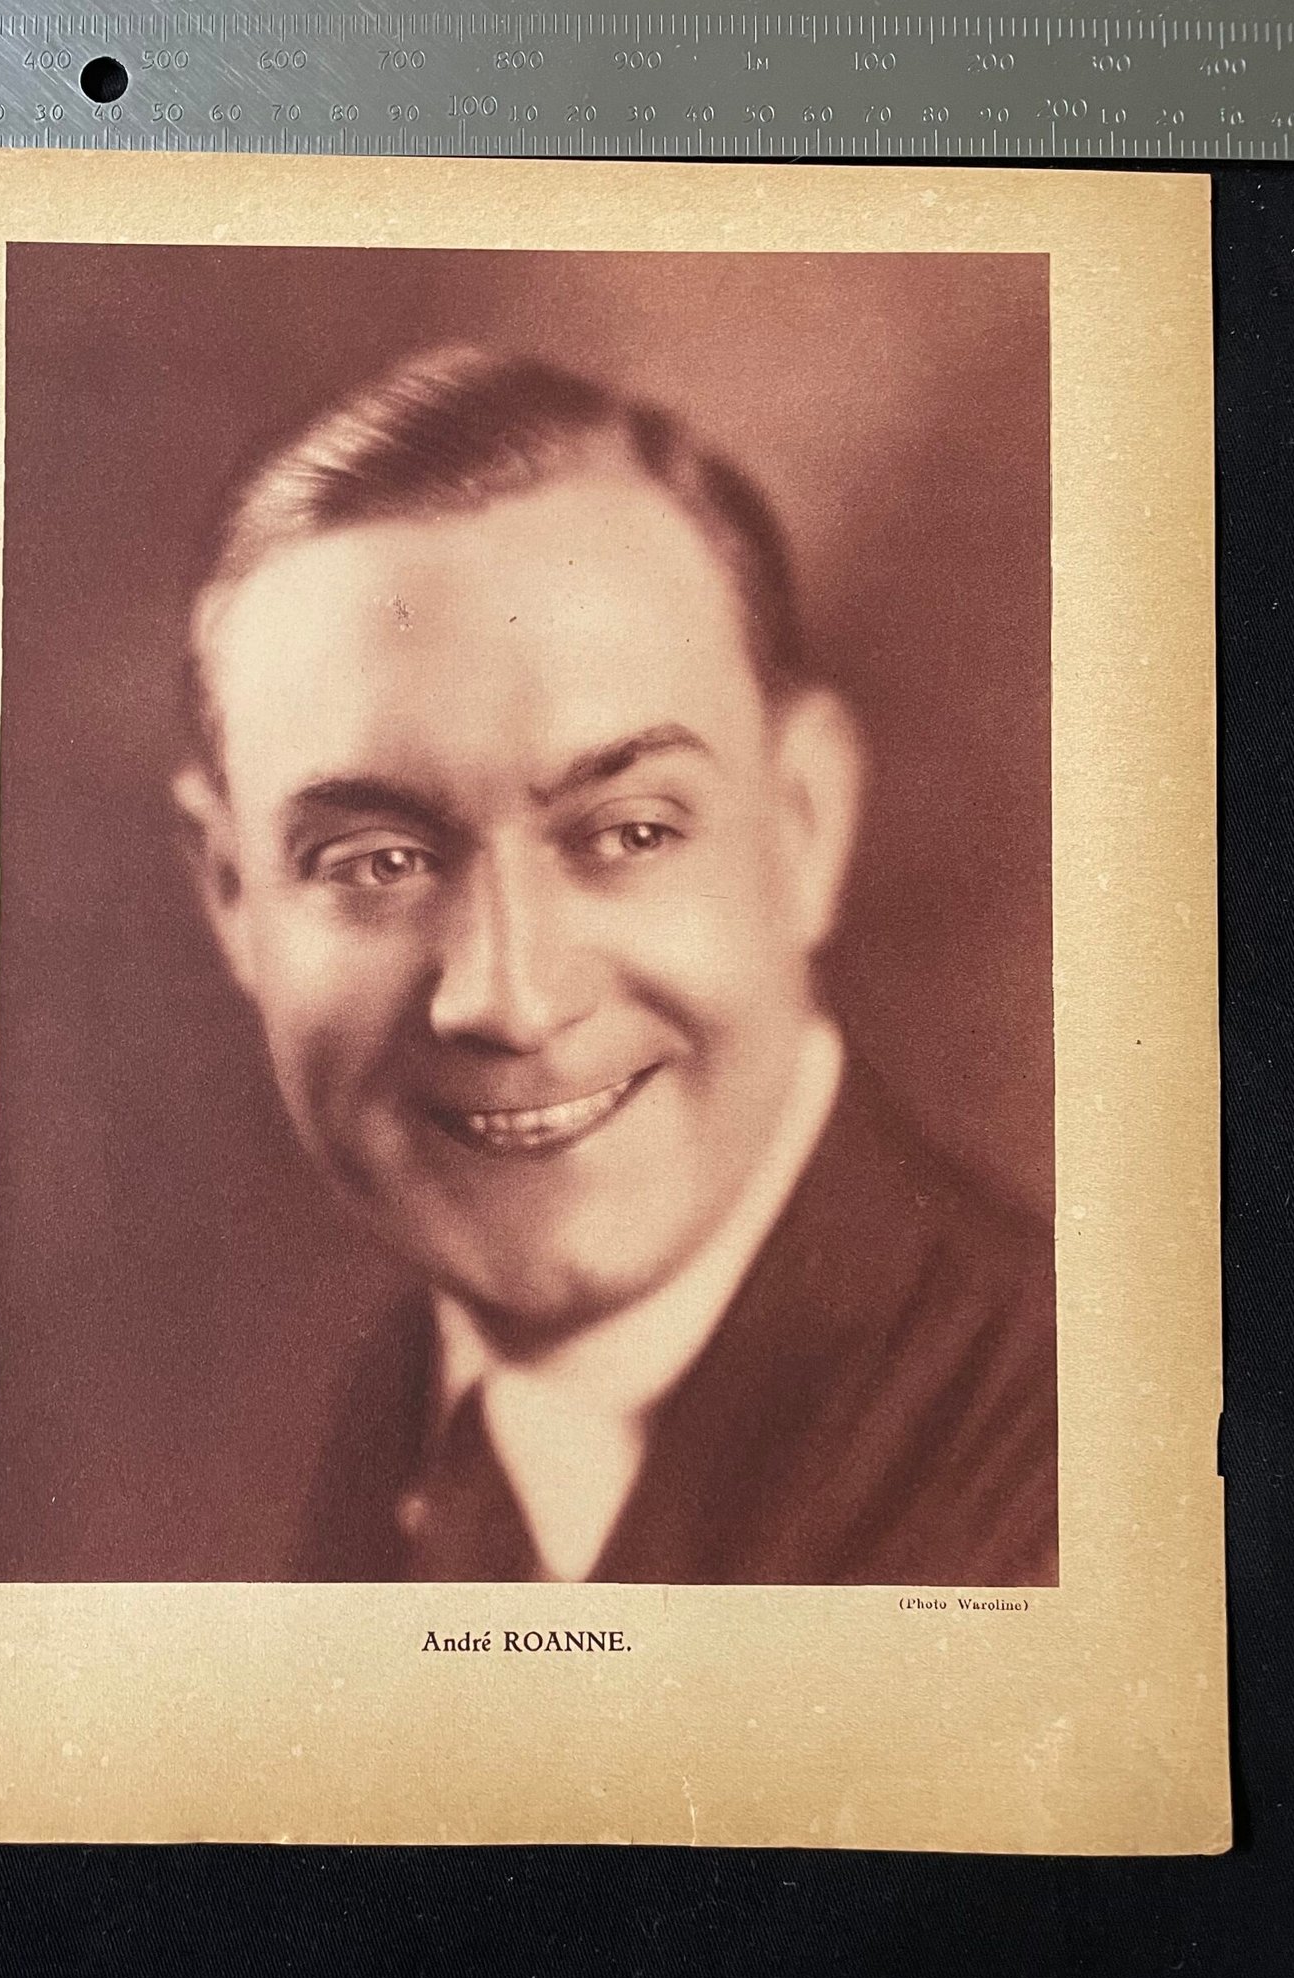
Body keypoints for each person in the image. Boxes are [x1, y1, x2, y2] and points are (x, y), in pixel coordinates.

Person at [172, 346, 1057, 1586]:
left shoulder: (1074, 1457)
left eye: (630, 833)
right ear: (231, 893)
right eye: (377, 862)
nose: (510, 999)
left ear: (802, 824)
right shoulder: (391, 1413)